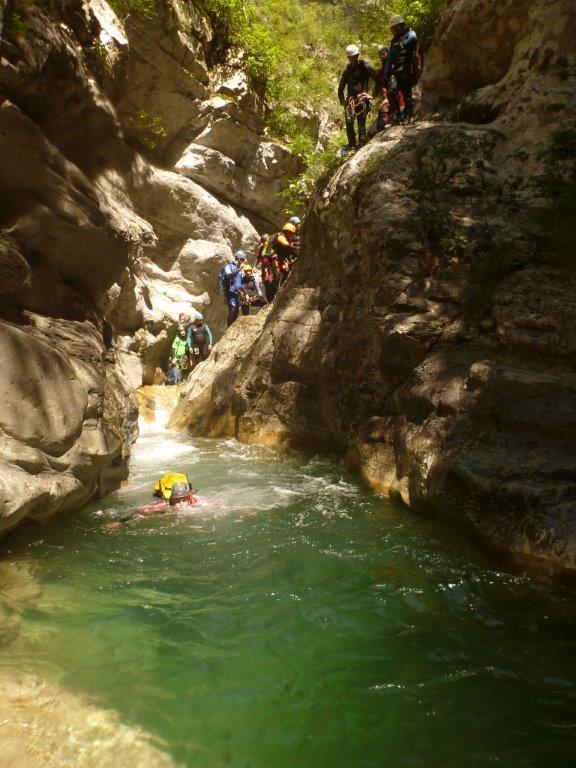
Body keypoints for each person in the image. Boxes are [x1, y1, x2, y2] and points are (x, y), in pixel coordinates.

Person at [103, 473, 198, 530]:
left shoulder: (194, 500)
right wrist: (120, 522)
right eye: (177, 500)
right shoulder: (162, 505)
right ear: (171, 499)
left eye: (184, 499)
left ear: (188, 497)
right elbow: (138, 511)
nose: (181, 504)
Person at [338, 44, 377, 151]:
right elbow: (340, 88)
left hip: (362, 99)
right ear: (348, 58)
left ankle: (361, 143)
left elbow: (378, 79)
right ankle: (352, 144)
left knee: (361, 122)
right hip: (350, 100)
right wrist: (342, 102)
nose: (352, 59)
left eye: (354, 56)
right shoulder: (347, 71)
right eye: (350, 57)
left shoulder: (365, 67)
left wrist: (371, 95)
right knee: (349, 121)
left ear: (358, 55)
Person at [383, 15, 419, 125]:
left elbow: (413, 38)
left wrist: (403, 44)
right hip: (397, 72)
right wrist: (386, 72)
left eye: (393, 28)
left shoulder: (410, 34)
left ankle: (408, 116)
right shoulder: (393, 42)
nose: (392, 30)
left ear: (399, 26)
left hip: (407, 70)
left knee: (407, 94)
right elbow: (389, 59)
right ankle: (398, 115)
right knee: (391, 92)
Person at [218, 250, 246, 326]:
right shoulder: (229, 266)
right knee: (232, 310)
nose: (243, 261)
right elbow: (228, 276)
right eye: (243, 260)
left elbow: (241, 283)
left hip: (238, 294)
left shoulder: (239, 269)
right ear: (239, 259)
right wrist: (239, 270)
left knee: (236, 312)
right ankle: (229, 329)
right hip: (230, 293)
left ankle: (232, 330)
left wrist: (243, 292)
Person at [271, 223, 299, 289]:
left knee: (286, 272)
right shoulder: (280, 236)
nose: (291, 234)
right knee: (277, 275)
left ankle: (282, 287)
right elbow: (287, 245)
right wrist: (296, 249)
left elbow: (290, 250)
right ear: (286, 231)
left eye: (292, 233)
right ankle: (276, 288)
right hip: (275, 258)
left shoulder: (289, 240)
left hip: (282, 259)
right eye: (290, 232)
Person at [256, 233, 279, 303]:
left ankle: (273, 299)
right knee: (267, 284)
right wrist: (255, 266)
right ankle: (270, 301)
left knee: (273, 283)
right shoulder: (262, 248)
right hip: (265, 269)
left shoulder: (273, 246)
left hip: (271, 267)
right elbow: (258, 257)